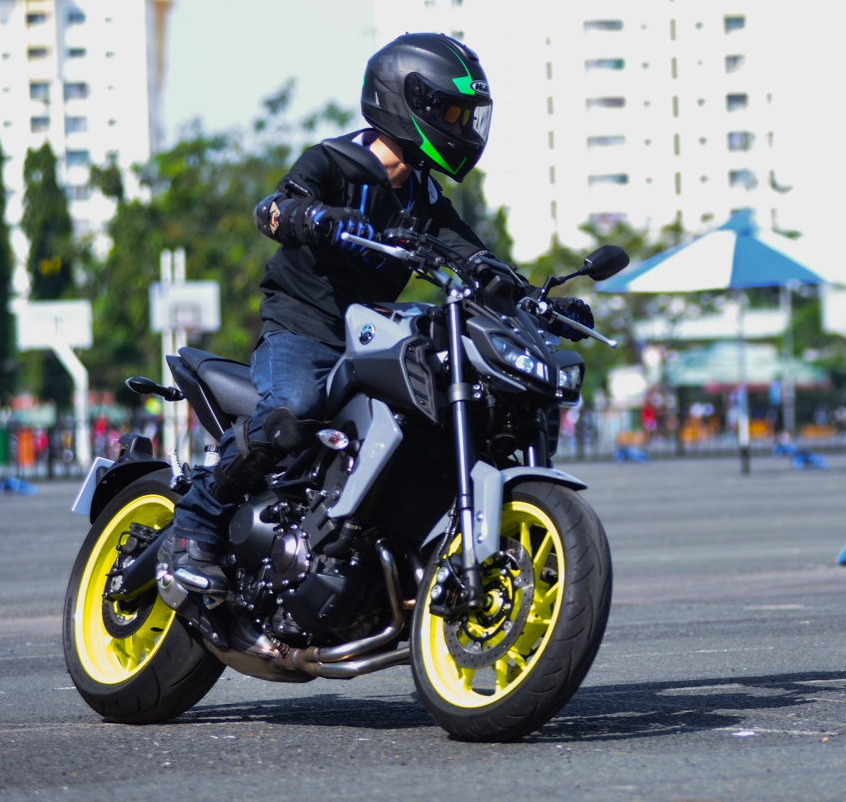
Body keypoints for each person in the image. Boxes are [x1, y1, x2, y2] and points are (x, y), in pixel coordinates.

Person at [170, 33, 592, 596]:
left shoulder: (423, 196)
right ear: (404, 101)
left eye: (465, 116)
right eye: (449, 112)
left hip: (368, 333)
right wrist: (314, 218)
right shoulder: (334, 160)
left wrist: (533, 301)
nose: (461, 128)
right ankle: (194, 523)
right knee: (292, 412)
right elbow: (272, 209)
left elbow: (478, 261)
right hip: (304, 327)